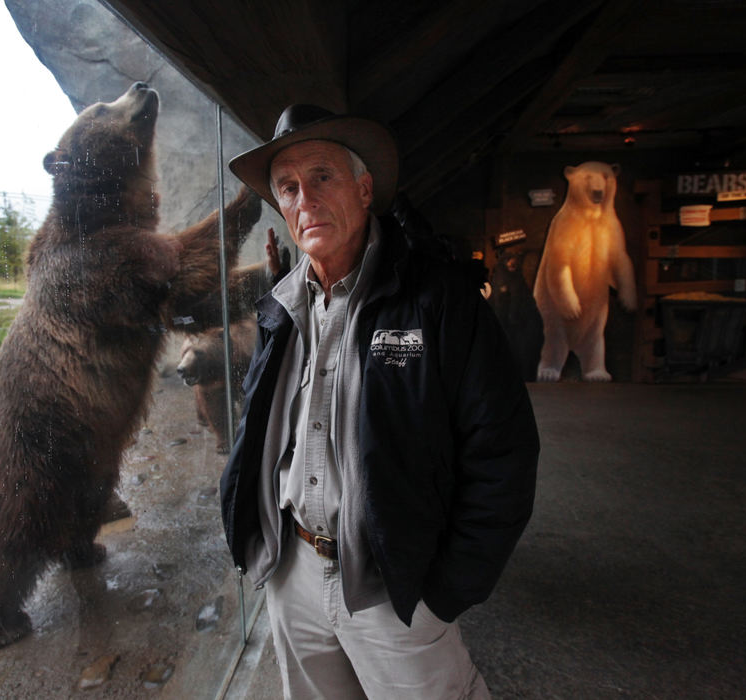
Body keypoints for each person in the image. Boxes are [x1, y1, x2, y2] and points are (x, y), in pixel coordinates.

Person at [220, 104, 539, 699]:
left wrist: (447, 593)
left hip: (394, 586)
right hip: (294, 570)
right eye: (288, 187)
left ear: (364, 189)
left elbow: (504, 452)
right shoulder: (281, 309)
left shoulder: (437, 299)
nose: (305, 200)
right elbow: (259, 432)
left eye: (322, 177)